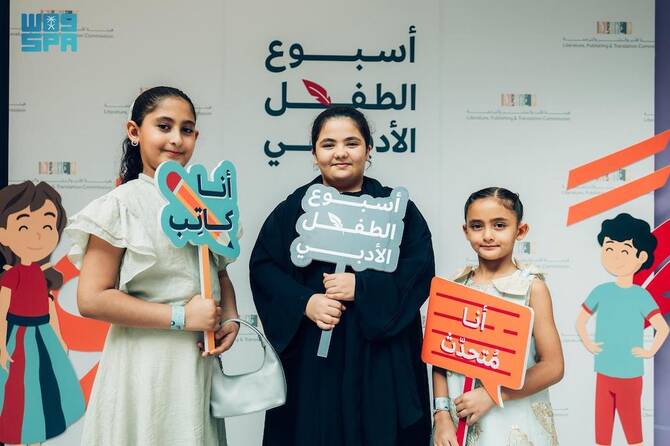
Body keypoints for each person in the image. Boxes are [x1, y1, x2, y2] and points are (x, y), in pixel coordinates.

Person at [250, 105, 434, 446]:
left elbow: (418, 270)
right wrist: (306, 302)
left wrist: (362, 287)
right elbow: (264, 268)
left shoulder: (397, 210)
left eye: (351, 143)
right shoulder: (293, 210)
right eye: (328, 144)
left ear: (368, 149)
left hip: (379, 361)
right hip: (313, 360)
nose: (340, 153)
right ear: (314, 153)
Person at [66, 86, 239, 445]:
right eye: (164, 126)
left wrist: (230, 316)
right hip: (143, 368)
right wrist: (181, 317)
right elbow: (91, 299)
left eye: (186, 129)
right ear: (134, 131)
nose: (176, 139)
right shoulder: (120, 205)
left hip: (197, 363)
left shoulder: (207, 203)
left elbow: (219, 270)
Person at [432, 187, 564, 446]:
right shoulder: (455, 286)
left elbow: (553, 366)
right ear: (466, 231)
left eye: (500, 225)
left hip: (513, 421)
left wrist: (494, 394)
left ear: (520, 231)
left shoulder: (532, 287)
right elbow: (439, 358)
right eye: (477, 226)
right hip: (458, 425)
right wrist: (442, 416)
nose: (488, 235)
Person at [0, 181, 85, 445]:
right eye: (24, 227)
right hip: (17, 338)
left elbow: (48, 306)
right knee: (18, 392)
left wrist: (59, 338)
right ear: (4, 235)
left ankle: (36, 437)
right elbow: (2, 311)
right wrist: (1, 346)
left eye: (47, 227)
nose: (37, 236)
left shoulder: (42, 275)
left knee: (43, 390)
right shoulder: (11, 276)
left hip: (43, 337)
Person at [576, 213, 669, 446]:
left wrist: (649, 352)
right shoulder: (601, 291)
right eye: (609, 248)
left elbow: (662, 327)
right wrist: (589, 343)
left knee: (633, 435)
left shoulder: (641, 296)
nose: (615, 256)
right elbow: (580, 321)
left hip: (630, 375)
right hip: (604, 373)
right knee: (602, 437)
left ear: (641, 257)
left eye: (625, 251)